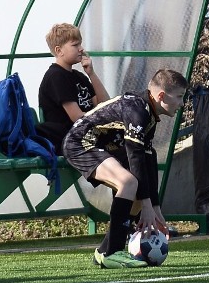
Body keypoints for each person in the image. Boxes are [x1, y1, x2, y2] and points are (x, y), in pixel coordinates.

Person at [63, 68, 188, 269]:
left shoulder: (148, 112)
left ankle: (103, 252)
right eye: (180, 97)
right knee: (129, 182)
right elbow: (135, 156)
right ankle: (113, 252)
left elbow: (148, 158)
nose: (182, 103)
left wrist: (154, 208)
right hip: (80, 144)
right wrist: (147, 206)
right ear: (161, 96)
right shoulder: (138, 111)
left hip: (101, 147)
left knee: (137, 193)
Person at [36, 23, 110, 153]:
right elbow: (76, 117)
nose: (81, 49)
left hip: (87, 133)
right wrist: (105, 120)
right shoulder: (56, 76)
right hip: (70, 138)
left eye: (80, 44)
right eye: (75, 45)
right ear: (59, 51)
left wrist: (91, 73)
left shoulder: (79, 76)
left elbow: (104, 104)